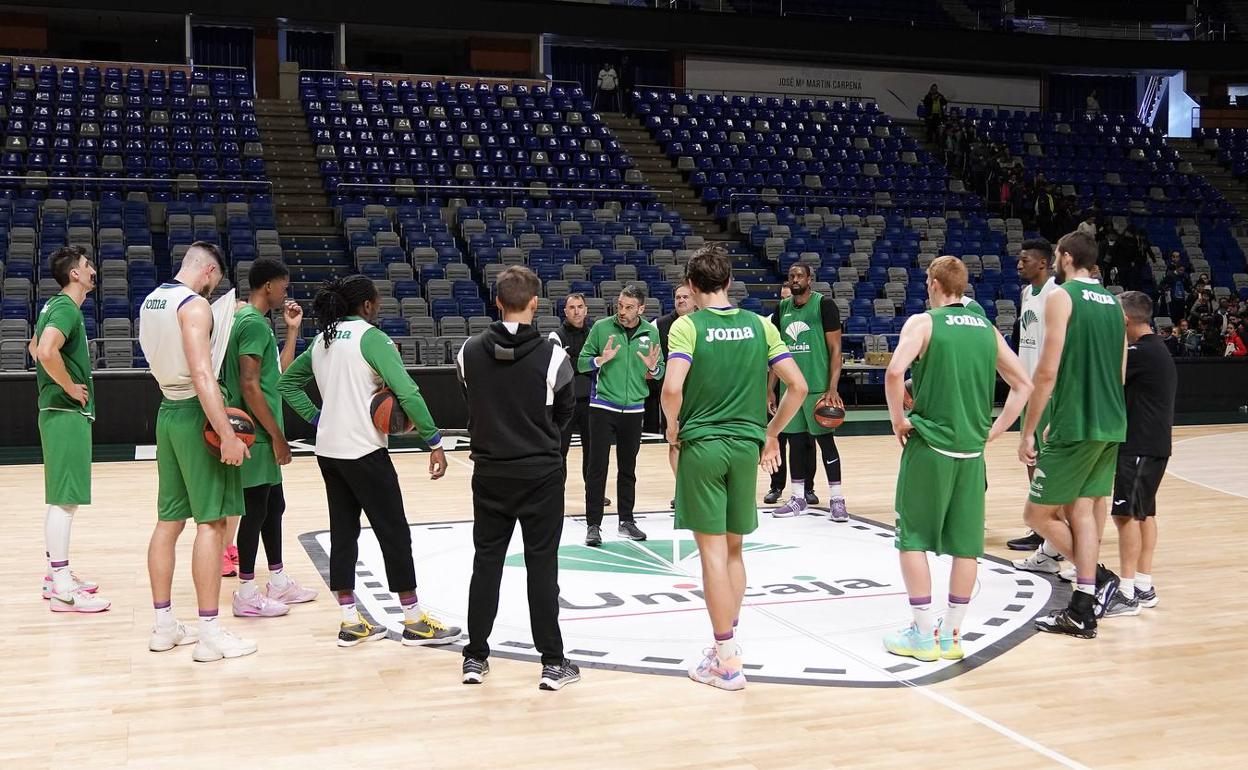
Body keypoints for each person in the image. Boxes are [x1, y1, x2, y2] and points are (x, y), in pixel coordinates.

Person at [278, 275, 461, 648]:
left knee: (343, 533)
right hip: (364, 452)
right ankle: (414, 621)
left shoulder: (322, 339)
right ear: (366, 306)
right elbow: (407, 390)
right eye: (375, 302)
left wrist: (318, 417)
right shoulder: (371, 338)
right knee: (393, 532)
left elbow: (286, 383)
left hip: (329, 452)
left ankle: (350, 620)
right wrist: (433, 440)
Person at [661, 245, 808, 690]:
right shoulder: (761, 325)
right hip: (746, 446)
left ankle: (726, 661)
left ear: (691, 286)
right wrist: (771, 432)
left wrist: (672, 428)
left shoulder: (687, 326)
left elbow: (671, 389)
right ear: (728, 281)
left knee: (710, 554)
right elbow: (798, 386)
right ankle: (727, 645)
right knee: (734, 551)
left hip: (703, 445)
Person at [883, 256, 1033, 663]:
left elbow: (895, 372)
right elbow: (1023, 384)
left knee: (912, 539)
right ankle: (951, 635)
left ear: (933, 283)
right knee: (967, 547)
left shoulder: (924, 323)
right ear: (963, 287)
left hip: (930, 446)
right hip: (971, 452)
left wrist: (898, 420)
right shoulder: (986, 328)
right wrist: (996, 430)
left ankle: (919, 632)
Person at [457, 266, 580, 691]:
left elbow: (471, 401)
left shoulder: (468, 351)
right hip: (541, 475)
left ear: (496, 301)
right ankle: (552, 662)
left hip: (490, 472)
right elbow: (566, 412)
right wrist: (546, 443)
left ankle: (475, 658)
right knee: (541, 566)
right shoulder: (555, 355)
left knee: (486, 563)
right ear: (535, 304)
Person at [139, 242, 255, 662]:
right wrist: (224, 432)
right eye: (215, 281)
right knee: (213, 522)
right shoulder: (194, 306)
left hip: (166, 409)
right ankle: (209, 634)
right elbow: (204, 373)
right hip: (194, 414)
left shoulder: (151, 301)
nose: (213, 290)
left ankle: (164, 627)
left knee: (168, 521)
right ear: (207, 270)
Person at [1020, 231, 1127, 639]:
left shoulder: (1061, 297)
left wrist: (1029, 430)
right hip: (1111, 420)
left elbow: (1047, 370)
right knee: (1082, 511)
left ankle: (1097, 579)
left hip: (1076, 421)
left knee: (1038, 514)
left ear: (1064, 258)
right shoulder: (1115, 307)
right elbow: (1119, 373)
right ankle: (1083, 608)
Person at [220, 257, 317, 618]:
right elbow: (248, 384)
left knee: (273, 507)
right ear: (269, 287)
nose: (285, 293)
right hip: (256, 435)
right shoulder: (252, 324)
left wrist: (292, 330)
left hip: (259, 431)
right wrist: (276, 436)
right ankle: (245, 591)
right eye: (284, 286)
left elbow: (277, 376)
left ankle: (277, 580)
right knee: (256, 511)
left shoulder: (253, 323)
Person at [30, 246, 108, 612]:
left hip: (55, 412)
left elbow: (33, 345)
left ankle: (54, 575)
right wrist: (68, 386)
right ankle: (61, 588)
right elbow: (45, 352)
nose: (92, 269)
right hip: (64, 412)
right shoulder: (64, 308)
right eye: (87, 265)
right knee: (65, 501)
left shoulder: (52, 307)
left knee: (61, 499)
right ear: (75, 274)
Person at [1103, 292, 1176, 617]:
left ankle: (1128, 591)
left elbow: (1106, 377)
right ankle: (1144, 586)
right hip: (1153, 444)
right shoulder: (1154, 348)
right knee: (1143, 513)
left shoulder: (1139, 353)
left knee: (1125, 515)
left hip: (1141, 445)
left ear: (1125, 320)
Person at [577, 284, 664, 546]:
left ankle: (626, 520)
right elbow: (581, 362)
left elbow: (659, 370)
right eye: (620, 306)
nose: (623, 312)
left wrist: (653, 368)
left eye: (628, 308)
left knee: (628, 468)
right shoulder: (602, 328)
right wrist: (599, 360)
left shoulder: (651, 332)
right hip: (603, 406)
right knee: (597, 467)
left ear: (640, 309)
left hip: (635, 408)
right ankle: (593, 524)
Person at [767, 263, 849, 521]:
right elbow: (776, 353)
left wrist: (832, 388)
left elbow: (836, 351)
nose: (795, 279)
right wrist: (770, 389)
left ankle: (837, 499)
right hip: (790, 389)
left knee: (826, 443)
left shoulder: (824, 305)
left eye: (799, 275)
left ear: (809, 279)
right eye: (791, 276)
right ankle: (797, 498)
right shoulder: (782, 308)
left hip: (817, 389)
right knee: (796, 444)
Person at [1007, 239, 1059, 556]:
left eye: (1024, 259)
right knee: (1032, 456)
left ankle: (1055, 527)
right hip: (1028, 387)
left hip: (1050, 391)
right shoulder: (1027, 293)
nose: (1018, 264)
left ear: (1043, 262)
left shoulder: (1056, 293)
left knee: (1051, 462)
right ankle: (1040, 526)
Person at [764, 284, 814, 505]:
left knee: (805, 441)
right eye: (783, 297)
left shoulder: (811, 317)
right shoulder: (773, 319)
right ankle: (776, 486)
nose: (786, 300)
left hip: (805, 384)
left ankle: (807, 488)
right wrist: (769, 390)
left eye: (788, 297)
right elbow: (773, 362)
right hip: (781, 385)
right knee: (778, 436)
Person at [553, 293, 598, 498]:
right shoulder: (556, 336)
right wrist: (589, 362)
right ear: (565, 311)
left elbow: (599, 364)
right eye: (572, 307)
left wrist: (578, 361)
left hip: (591, 401)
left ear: (586, 309)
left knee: (592, 452)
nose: (577, 311)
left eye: (580, 306)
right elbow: (561, 367)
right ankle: (556, 492)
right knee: (560, 450)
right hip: (565, 403)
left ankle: (593, 492)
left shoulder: (595, 333)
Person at [655, 283, 695, 488]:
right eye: (678, 297)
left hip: (699, 394)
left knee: (698, 444)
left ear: (695, 299)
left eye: (685, 297)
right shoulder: (660, 325)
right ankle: (682, 489)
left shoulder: (703, 322)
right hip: (673, 394)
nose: (681, 300)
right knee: (675, 442)